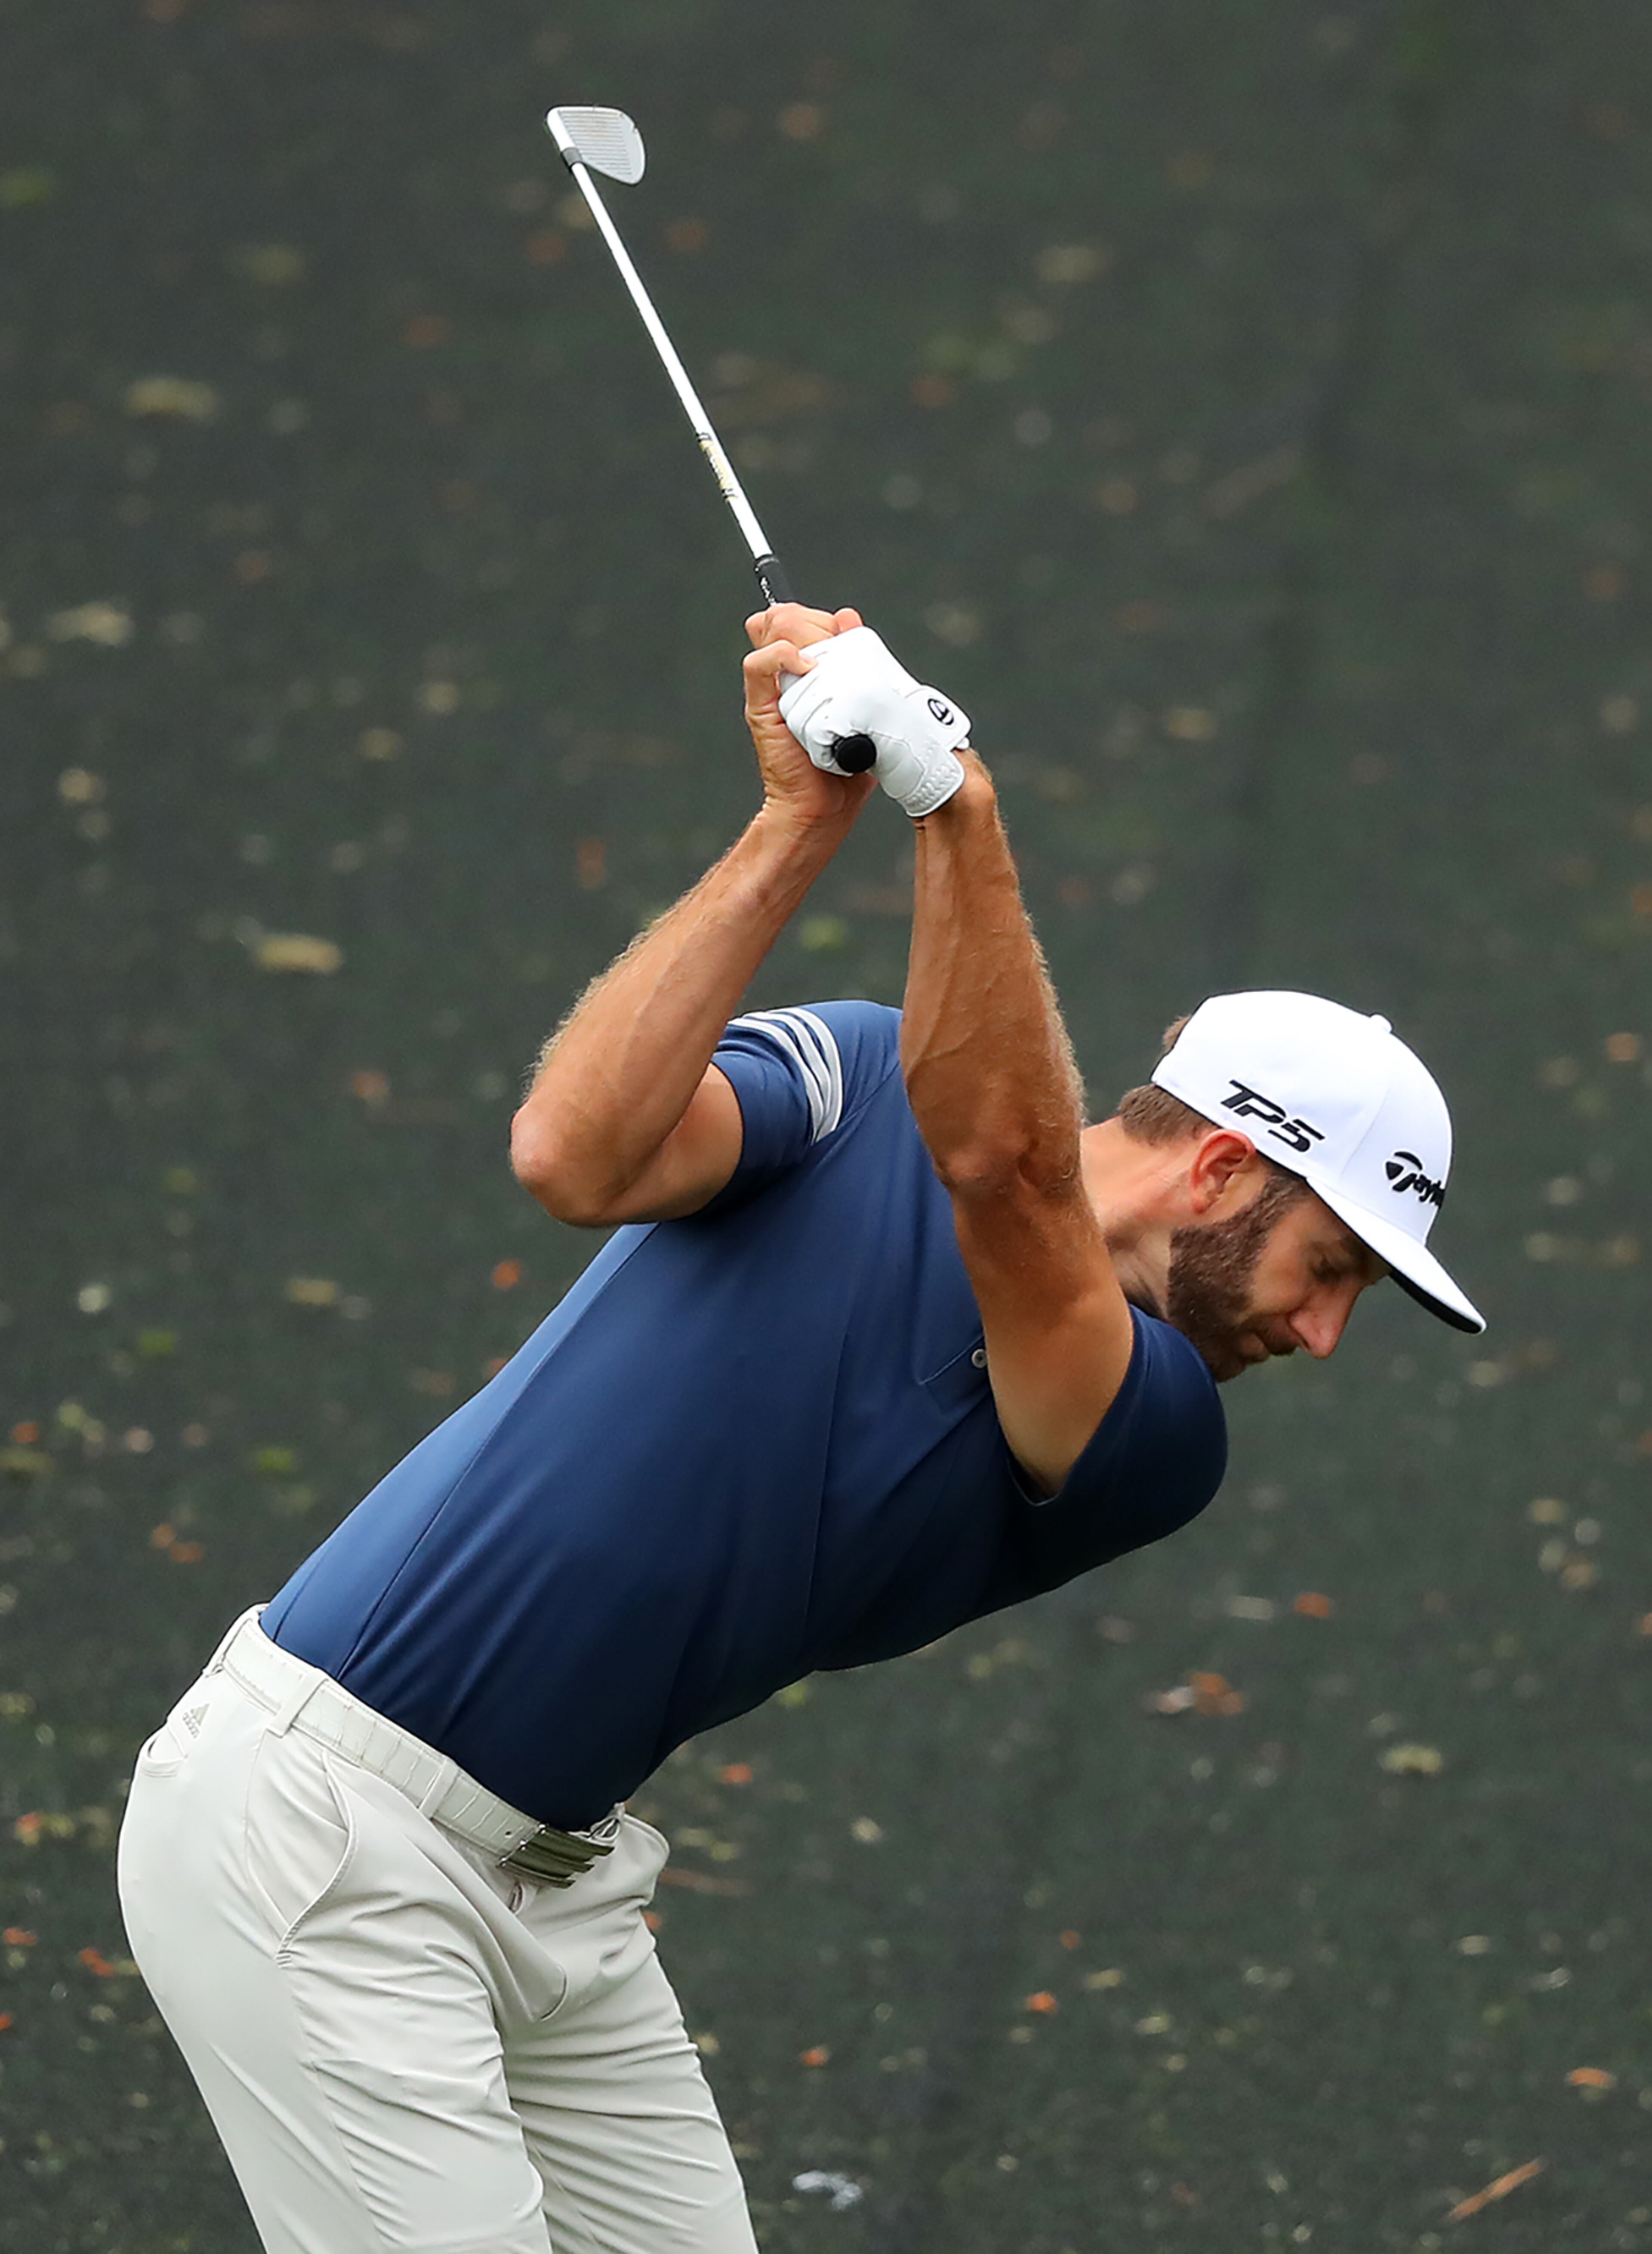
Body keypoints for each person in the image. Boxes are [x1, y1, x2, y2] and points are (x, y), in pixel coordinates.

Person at [117, 604, 1482, 2254]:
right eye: (1329, 1265)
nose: (1327, 1333)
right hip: (318, 1829)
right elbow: (575, 1154)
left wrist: (956, 814)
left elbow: (1007, 1176)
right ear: (1218, 1172)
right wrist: (801, 823)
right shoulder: (848, 1077)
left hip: (561, 1893)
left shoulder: (1156, 1425)